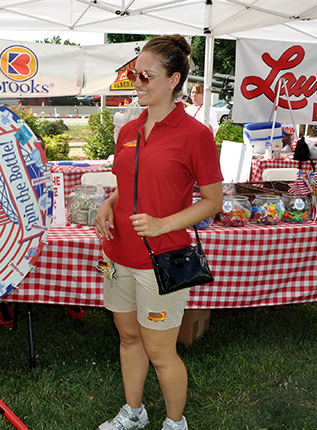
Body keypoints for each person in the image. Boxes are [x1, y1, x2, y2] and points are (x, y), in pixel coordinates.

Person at [94, 35, 223, 430]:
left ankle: (174, 421)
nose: (138, 83)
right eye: (135, 75)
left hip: (163, 257)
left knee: (160, 350)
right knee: (129, 338)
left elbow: (213, 201)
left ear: (174, 79)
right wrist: (108, 204)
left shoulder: (195, 135)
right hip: (119, 253)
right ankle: (134, 412)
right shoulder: (129, 129)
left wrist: (164, 224)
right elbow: (128, 183)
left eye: (146, 76)